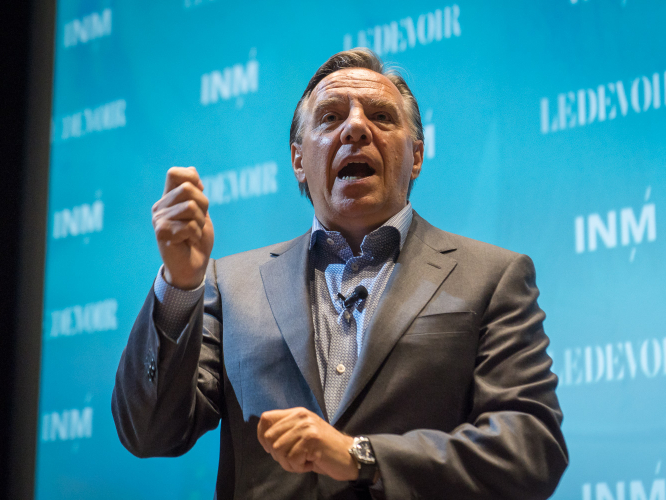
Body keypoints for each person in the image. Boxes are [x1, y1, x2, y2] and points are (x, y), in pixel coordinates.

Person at [112, 48, 568, 500]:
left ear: (416, 157)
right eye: (330, 118)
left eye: (382, 117)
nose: (355, 127)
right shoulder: (230, 285)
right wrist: (180, 284)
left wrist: (360, 456)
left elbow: (531, 448)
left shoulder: (490, 277)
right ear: (297, 161)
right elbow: (149, 432)